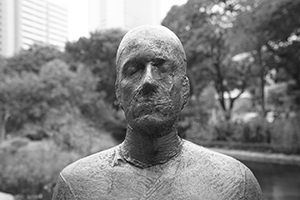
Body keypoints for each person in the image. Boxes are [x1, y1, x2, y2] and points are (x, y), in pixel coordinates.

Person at [52, 25, 262, 200]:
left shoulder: (236, 183)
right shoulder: (75, 187)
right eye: (134, 70)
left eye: (162, 68)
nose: (148, 81)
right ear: (118, 91)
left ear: (185, 89)